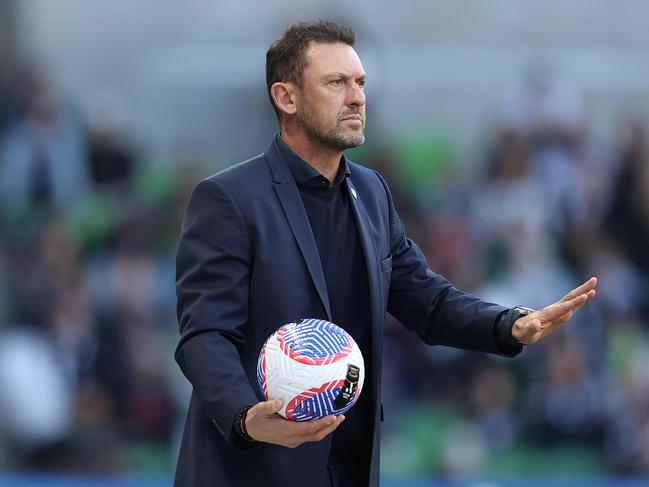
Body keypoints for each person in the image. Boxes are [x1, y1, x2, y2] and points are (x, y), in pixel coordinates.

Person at [173, 20, 597, 487]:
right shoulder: (228, 198)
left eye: (360, 83)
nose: (356, 97)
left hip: (351, 468)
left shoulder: (371, 191)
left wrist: (508, 323)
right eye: (336, 82)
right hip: (253, 469)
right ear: (286, 97)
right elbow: (206, 336)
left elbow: (426, 301)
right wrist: (247, 418)